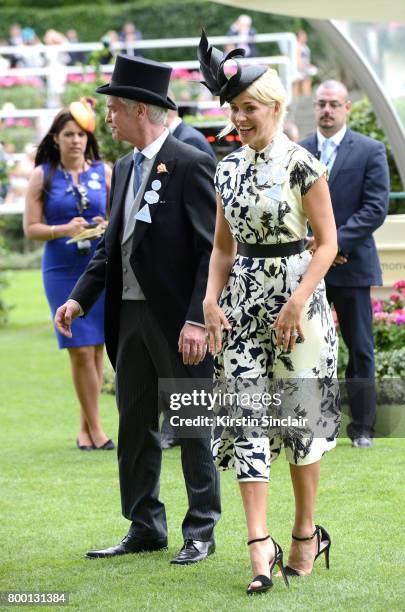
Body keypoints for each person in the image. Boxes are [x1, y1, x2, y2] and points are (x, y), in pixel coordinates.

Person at [54, 54, 221, 564]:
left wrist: (197, 318)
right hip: (127, 319)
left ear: (139, 111)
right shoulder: (123, 168)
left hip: (177, 321)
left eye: (113, 109)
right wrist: (80, 298)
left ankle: (201, 531)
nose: (107, 119)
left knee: (194, 423)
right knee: (134, 426)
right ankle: (145, 525)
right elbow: (111, 246)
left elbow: (211, 251)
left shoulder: (192, 162)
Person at [198, 31, 339, 595]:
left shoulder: (303, 164)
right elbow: (222, 248)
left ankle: (305, 532)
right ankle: (260, 545)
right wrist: (210, 299)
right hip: (238, 310)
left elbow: (326, 243)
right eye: (235, 110)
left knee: (301, 423)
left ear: (276, 107)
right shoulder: (225, 168)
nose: (241, 118)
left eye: (249, 108)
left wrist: (297, 300)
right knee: (247, 419)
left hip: (298, 308)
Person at [300, 80, 389, 448]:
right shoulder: (298, 150)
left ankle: (363, 427)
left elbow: (375, 208)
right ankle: (310, 421)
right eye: (321, 104)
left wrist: (332, 243)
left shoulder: (370, 150)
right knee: (305, 347)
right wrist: (316, 247)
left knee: (360, 347)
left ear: (347, 107)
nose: (327, 110)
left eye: (334, 104)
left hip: (351, 264)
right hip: (305, 267)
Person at [23, 98, 114, 452]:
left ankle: (84, 429)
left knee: (95, 351)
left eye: (80, 135)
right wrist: (63, 229)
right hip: (61, 269)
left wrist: (105, 224)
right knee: (78, 348)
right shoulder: (42, 174)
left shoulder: (103, 172)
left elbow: (115, 216)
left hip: (98, 266)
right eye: (68, 135)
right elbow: (31, 229)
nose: (75, 141)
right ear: (56, 138)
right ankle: (98, 430)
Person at [160, 103, 217, 450]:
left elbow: (204, 225)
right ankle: (176, 424)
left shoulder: (192, 143)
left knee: (192, 360)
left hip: (193, 274)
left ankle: (186, 428)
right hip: (169, 276)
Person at [293, 31, 317, 98]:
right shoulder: (297, 45)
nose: (305, 37)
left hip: (304, 68)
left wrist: (309, 65)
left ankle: (306, 99)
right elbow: (297, 57)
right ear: (299, 37)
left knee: (307, 82)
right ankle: (296, 101)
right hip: (299, 69)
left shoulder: (305, 46)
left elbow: (305, 58)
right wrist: (301, 67)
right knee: (297, 84)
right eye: (303, 36)